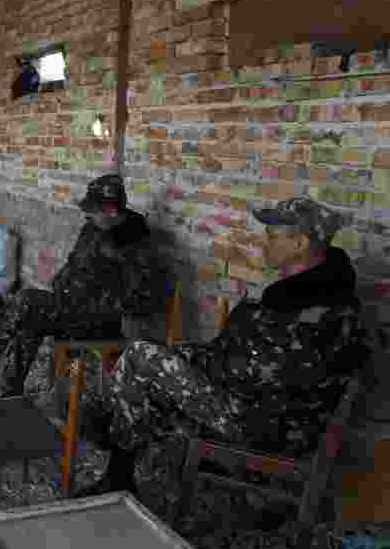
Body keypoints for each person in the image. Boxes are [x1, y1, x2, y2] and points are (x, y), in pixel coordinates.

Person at [76, 197, 371, 497]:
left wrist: (200, 368)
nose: (264, 243)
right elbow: (240, 356)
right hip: (251, 401)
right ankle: (116, 445)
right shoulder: (300, 296)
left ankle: (111, 431)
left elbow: (262, 375)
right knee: (157, 363)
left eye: (272, 236)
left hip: (263, 423)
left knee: (143, 356)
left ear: (300, 244)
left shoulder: (321, 313)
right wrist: (194, 358)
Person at [0, 173, 171, 397]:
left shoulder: (136, 243)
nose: (87, 215)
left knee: (26, 300)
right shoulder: (94, 227)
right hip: (68, 308)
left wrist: (95, 301)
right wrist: (61, 283)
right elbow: (73, 261)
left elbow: (143, 300)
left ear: (110, 211)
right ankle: (9, 393)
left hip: (98, 321)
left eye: (93, 210)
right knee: (27, 323)